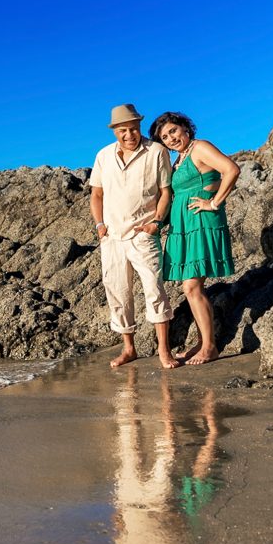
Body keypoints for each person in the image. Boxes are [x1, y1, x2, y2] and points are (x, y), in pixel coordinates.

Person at [89, 104, 178, 368]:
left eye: (133, 129)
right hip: (112, 237)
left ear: (139, 126)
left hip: (143, 235)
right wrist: (100, 226)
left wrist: (156, 222)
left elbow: (166, 192)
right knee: (118, 292)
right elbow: (96, 194)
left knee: (154, 289)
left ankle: (164, 350)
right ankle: (129, 349)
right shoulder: (103, 156)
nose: (129, 135)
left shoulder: (157, 151)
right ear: (115, 131)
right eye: (123, 130)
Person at [151, 111, 239, 365]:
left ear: (186, 128)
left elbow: (231, 170)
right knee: (192, 287)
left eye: (173, 131)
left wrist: (214, 203)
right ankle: (203, 342)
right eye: (165, 137)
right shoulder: (179, 159)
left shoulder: (200, 147)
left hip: (201, 223)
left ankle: (209, 347)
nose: (171, 138)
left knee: (191, 286)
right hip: (184, 227)